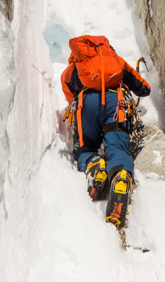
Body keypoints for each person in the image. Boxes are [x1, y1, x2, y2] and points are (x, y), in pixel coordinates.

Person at [60, 35, 151, 228]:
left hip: (87, 104)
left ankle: (95, 166)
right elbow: (144, 88)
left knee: (85, 150)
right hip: (116, 102)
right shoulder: (115, 61)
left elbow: (71, 100)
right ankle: (120, 176)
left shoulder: (73, 70)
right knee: (117, 149)